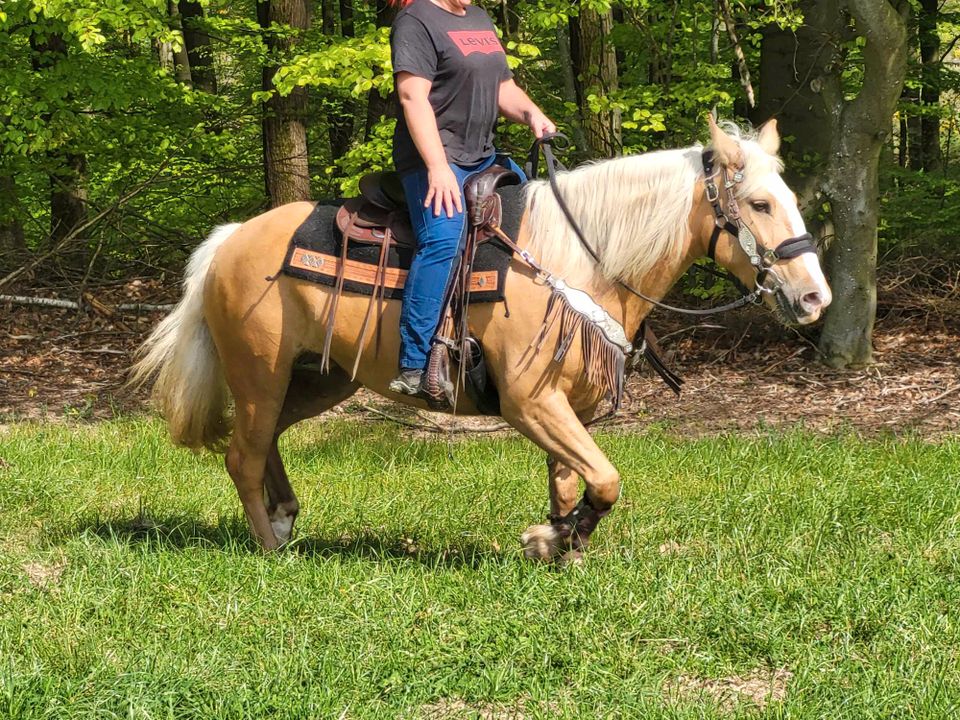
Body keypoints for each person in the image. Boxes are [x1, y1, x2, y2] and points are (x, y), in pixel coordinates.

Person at [387, 0, 556, 396]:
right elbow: (413, 98)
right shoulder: (415, 20)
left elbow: (503, 87)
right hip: (432, 160)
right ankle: (414, 360)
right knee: (443, 238)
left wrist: (532, 113)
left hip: (482, 157)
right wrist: (437, 166)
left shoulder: (478, 18)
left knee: (535, 212)